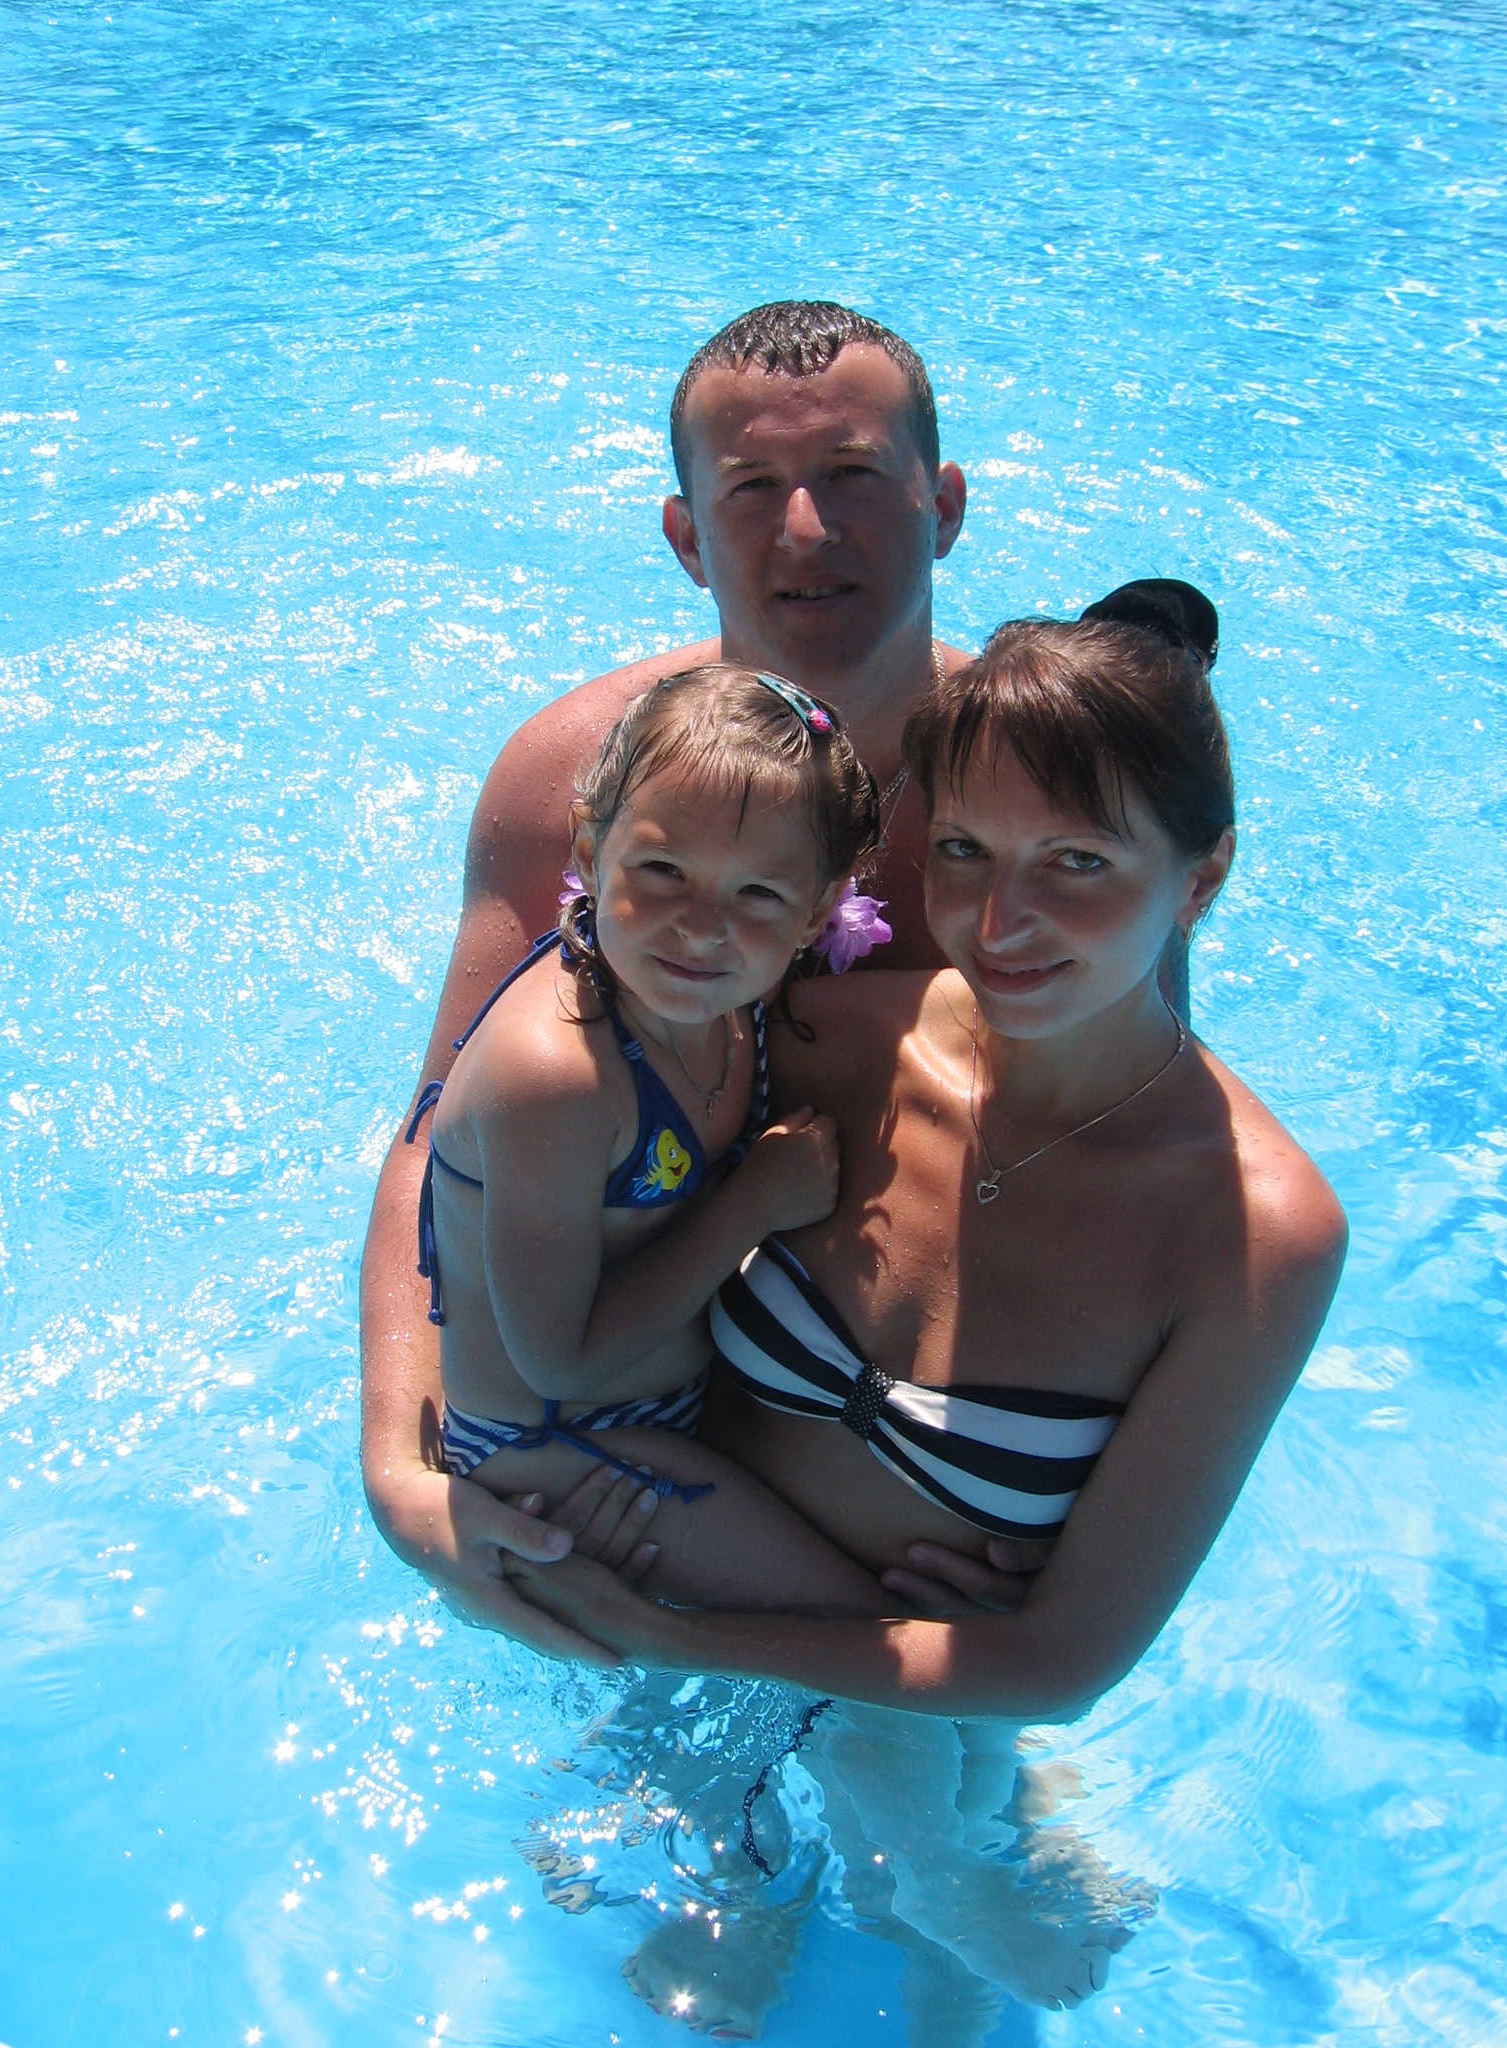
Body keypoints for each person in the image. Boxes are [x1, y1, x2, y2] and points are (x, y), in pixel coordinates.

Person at [502, 597, 1349, 1719]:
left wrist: (674, 1637)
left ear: (1201, 879)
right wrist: (425, 1492)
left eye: (1077, 861)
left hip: (899, 1703)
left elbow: (1061, 1667)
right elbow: (500, 1159)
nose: (1001, 922)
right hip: (637, 1621)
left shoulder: (1254, 1231)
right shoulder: (820, 1043)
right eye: (964, 850)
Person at [360, 300, 974, 1652]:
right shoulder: (570, 778)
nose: (805, 529)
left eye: (853, 474)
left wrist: (1039, 1511)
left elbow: (1117, 1136)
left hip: (874, 1458)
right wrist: (399, 1473)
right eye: (752, 488)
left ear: (943, 507)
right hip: (617, 1414)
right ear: (687, 537)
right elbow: (438, 1137)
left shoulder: (1036, 801)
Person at [408, 660, 892, 1612]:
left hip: (672, 1402)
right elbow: (561, 1356)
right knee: (864, 1632)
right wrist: (753, 1203)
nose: (702, 928)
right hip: (553, 1454)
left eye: (758, 894)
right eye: (663, 871)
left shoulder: (717, 1000)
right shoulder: (557, 1078)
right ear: (591, 847)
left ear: (817, 909)